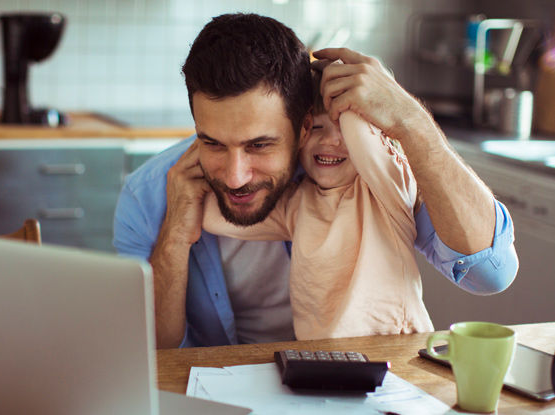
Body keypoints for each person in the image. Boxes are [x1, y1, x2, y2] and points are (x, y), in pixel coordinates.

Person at [114, 13, 518, 348]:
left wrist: (410, 121)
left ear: (303, 127)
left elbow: (490, 274)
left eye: (259, 145)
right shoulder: (150, 195)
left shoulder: (351, 170)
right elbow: (149, 356)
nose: (235, 177)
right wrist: (174, 235)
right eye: (213, 143)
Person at [202, 63, 435, 340]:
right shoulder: (297, 204)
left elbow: (364, 138)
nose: (329, 140)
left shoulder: (386, 187)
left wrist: (336, 74)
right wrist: (217, 142)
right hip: (325, 358)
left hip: (395, 346)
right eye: (317, 127)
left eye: (342, 127)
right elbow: (211, 217)